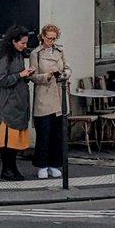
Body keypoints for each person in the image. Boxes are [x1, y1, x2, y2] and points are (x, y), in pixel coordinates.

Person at [0, 28, 35, 181]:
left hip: (18, 103)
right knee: (8, 140)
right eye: (22, 43)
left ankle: (11, 168)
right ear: (14, 42)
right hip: (10, 104)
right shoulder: (6, 57)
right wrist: (20, 75)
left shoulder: (18, 55)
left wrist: (25, 76)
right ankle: (7, 169)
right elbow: (2, 80)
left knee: (14, 141)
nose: (25, 46)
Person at [29, 23, 70, 180]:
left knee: (57, 134)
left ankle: (54, 164)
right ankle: (42, 165)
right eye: (49, 38)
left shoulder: (60, 51)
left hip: (58, 96)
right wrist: (45, 76)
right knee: (44, 133)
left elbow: (67, 68)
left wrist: (64, 74)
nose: (51, 41)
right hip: (44, 97)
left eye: (54, 39)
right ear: (43, 37)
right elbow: (32, 75)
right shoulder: (36, 54)